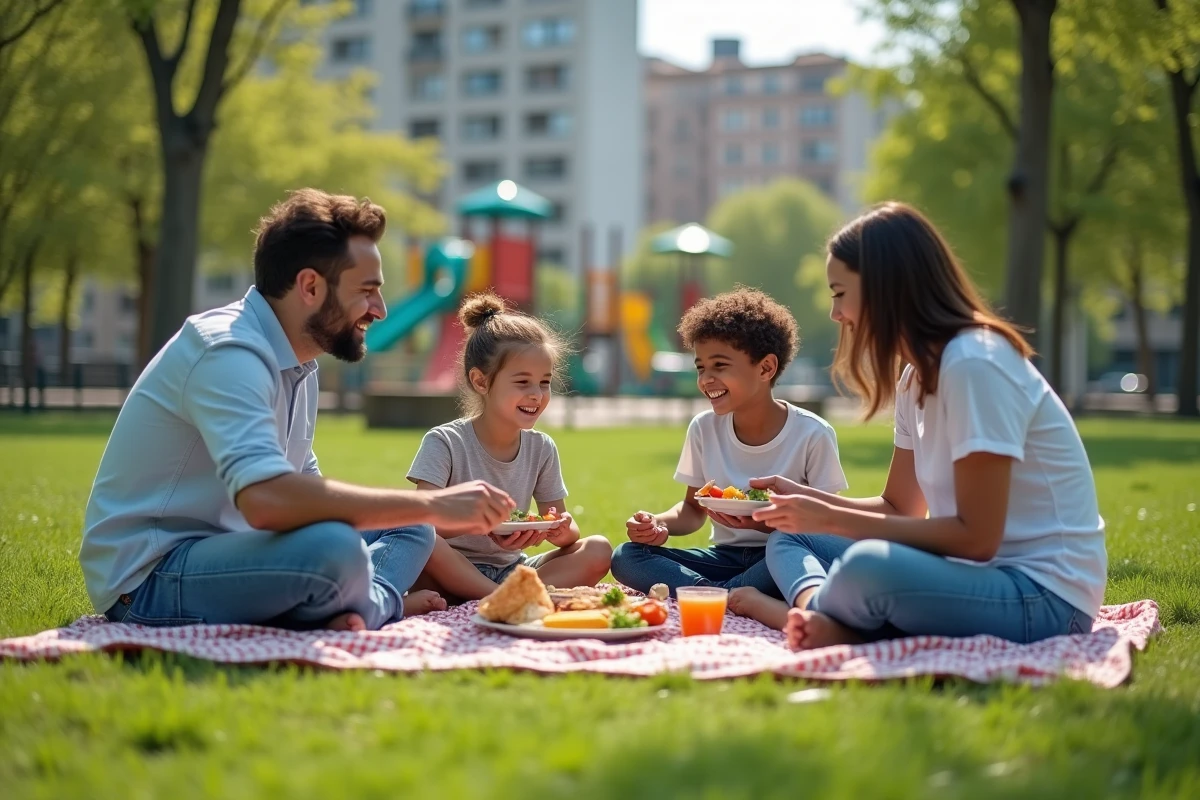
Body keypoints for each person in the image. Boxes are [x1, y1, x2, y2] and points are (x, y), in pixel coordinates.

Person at [79, 189, 514, 632]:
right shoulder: (228, 352)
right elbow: (267, 501)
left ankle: (351, 608)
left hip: (239, 551)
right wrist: (435, 503)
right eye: (367, 291)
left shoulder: (297, 362)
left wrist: (424, 512)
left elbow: (303, 488)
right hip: (150, 579)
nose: (380, 311)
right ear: (310, 286)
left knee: (413, 529)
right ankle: (378, 605)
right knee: (336, 548)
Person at [751, 202, 1106, 649]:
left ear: (885, 287)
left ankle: (808, 616)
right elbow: (901, 508)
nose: (835, 313)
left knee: (868, 567)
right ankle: (827, 618)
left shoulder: (975, 363)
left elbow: (976, 538)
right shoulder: (915, 376)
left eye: (840, 293)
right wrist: (804, 501)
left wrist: (834, 519)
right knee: (795, 534)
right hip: (974, 579)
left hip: (1044, 599)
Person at [610, 289, 847, 609]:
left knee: (797, 553)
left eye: (719, 366)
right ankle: (723, 593)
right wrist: (658, 524)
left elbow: (827, 527)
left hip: (782, 557)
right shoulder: (704, 429)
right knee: (627, 556)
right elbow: (692, 511)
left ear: (765, 368)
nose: (706, 379)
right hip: (724, 557)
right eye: (700, 368)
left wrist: (762, 523)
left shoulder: (812, 434)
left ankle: (708, 593)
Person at [406, 293, 612, 601]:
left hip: (512, 568)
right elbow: (423, 524)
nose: (537, 394)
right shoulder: (444, 442)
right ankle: (506, 597)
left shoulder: (541, 447)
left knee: (598, 549)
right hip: (450, 568)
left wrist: (560, 530)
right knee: (423, 539)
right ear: (480, 381)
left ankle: (508, 595)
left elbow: (563, 529)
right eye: (522, 382)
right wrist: (477, 522)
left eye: (544, 382)